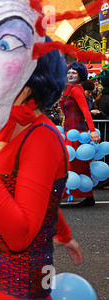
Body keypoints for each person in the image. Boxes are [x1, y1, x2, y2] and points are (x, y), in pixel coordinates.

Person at [0, 0, 84, 300]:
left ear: (30, 79)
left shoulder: (42, 140)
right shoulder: (8, 126)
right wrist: (63, 234)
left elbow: (20, 236)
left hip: (10, 286)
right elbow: (40, 198)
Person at [60, 62, 100, 207]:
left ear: (80, 75)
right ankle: (79, 196)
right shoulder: (69, 90)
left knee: (79, 166)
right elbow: (66, 107)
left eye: (74, 73)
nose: (70, 75)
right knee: (69, 166)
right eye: (69, 72)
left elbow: (85, 111)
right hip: (70, 133)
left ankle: (88, 197)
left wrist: (93, 130)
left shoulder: (76, 90)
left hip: (78, 133)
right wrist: (64, 116)